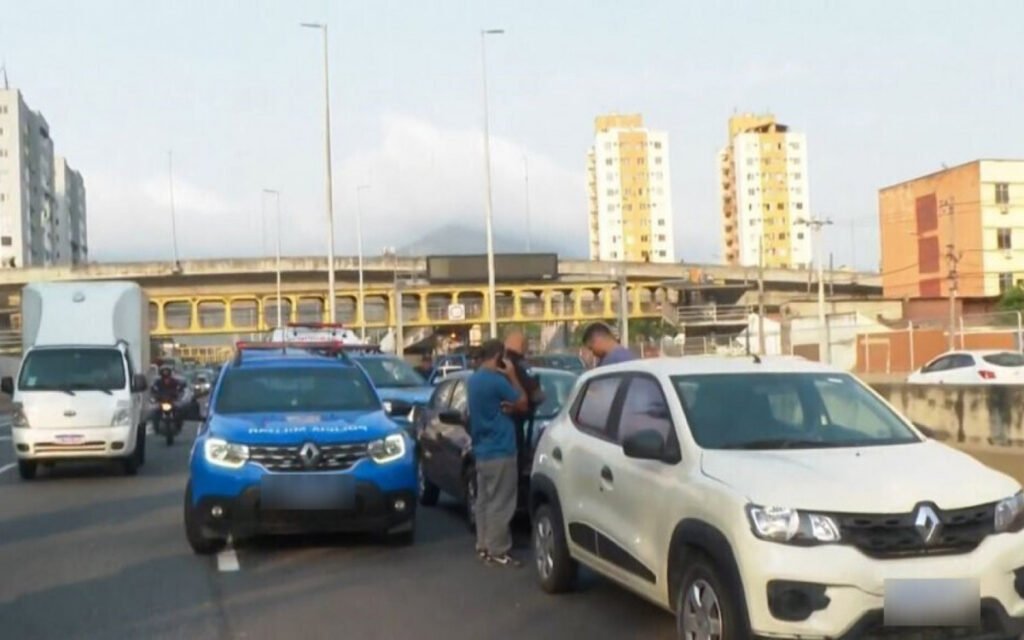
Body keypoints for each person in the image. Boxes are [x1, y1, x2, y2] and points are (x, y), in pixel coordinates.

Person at [467, 339, 528, 568]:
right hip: (501, 448)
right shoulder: (497, 381)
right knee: (502, 503)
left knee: (484, 501)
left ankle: (483, 545)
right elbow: (522, 402)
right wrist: (512, 375)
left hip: (482, 449)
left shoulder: (473, 381)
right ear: (499, 357)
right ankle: (498, 550)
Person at [503, 330, 545, 468]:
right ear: (522, 345)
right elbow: (538, 396)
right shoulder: (522, 365)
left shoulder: (499, 365)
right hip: (518, 423)